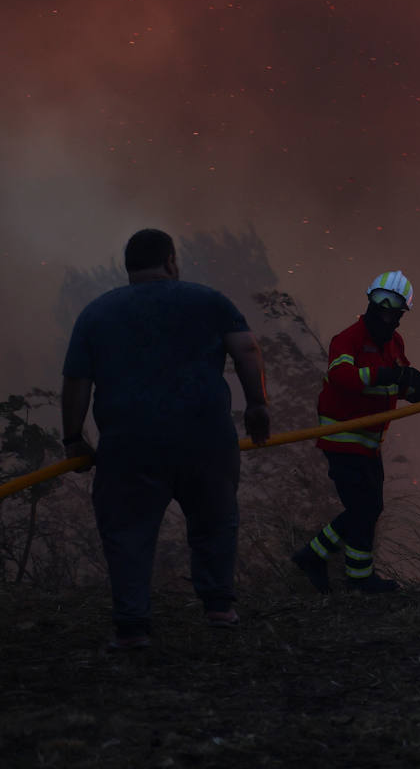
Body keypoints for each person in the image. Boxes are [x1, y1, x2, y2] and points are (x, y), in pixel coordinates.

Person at [61, 228, 271, 650]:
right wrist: (257, 405)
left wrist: (73, 438)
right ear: (171, 261)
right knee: (214, 521)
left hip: (129, 445)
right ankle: (218, 607)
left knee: (128, 533)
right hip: (206, 439)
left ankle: (133, 626)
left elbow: (76, 381)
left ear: (128, 268)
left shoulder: (97, 314)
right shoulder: (208, 301)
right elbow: (247, 349)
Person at [291, 270, 420, 594]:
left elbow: (401, 382)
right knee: (363, 509)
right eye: (378, 303)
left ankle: (333, 564)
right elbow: (343, 378)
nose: (383, 311)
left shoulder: (395, 342)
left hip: (369, 443)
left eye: (391, 307)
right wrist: (387, 374)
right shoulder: (347, 338)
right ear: (369, 302)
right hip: (342, 439)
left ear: (400, 315)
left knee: (369, 509)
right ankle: (349, 573)